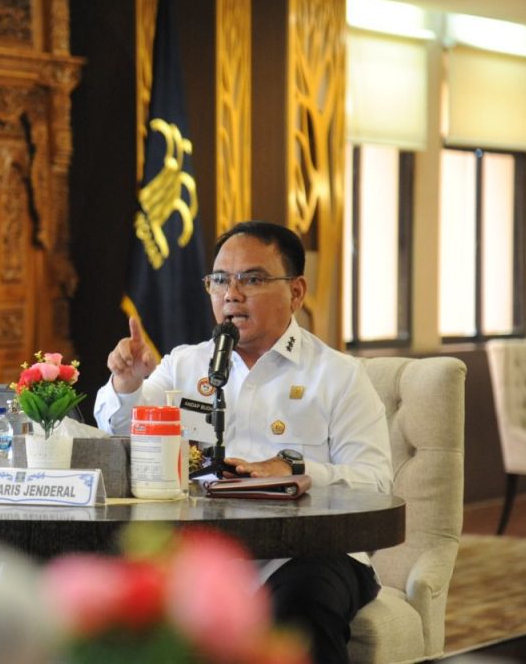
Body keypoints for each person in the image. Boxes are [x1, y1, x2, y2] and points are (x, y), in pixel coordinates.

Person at [95, 221, 393, 663]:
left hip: (310, 552)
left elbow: (376, 483)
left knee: (301, 607)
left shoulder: (338, 375)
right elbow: (119, 430)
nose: (231, 295)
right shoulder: (183, 365)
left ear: (296, 292)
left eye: (251, 280)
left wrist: (297, 471)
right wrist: (126, 385)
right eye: (219, 280)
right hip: (199, 551)